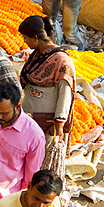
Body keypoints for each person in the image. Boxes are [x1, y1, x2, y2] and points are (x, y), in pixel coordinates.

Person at [18, 15, 77, 172]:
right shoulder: (37, 55)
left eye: (26, 38)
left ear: (36, 38)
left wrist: (59, 121)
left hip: (46, 123)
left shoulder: (61, 60)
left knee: (40, 162)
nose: (24, 41)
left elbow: (65, 92)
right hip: (30, 116)